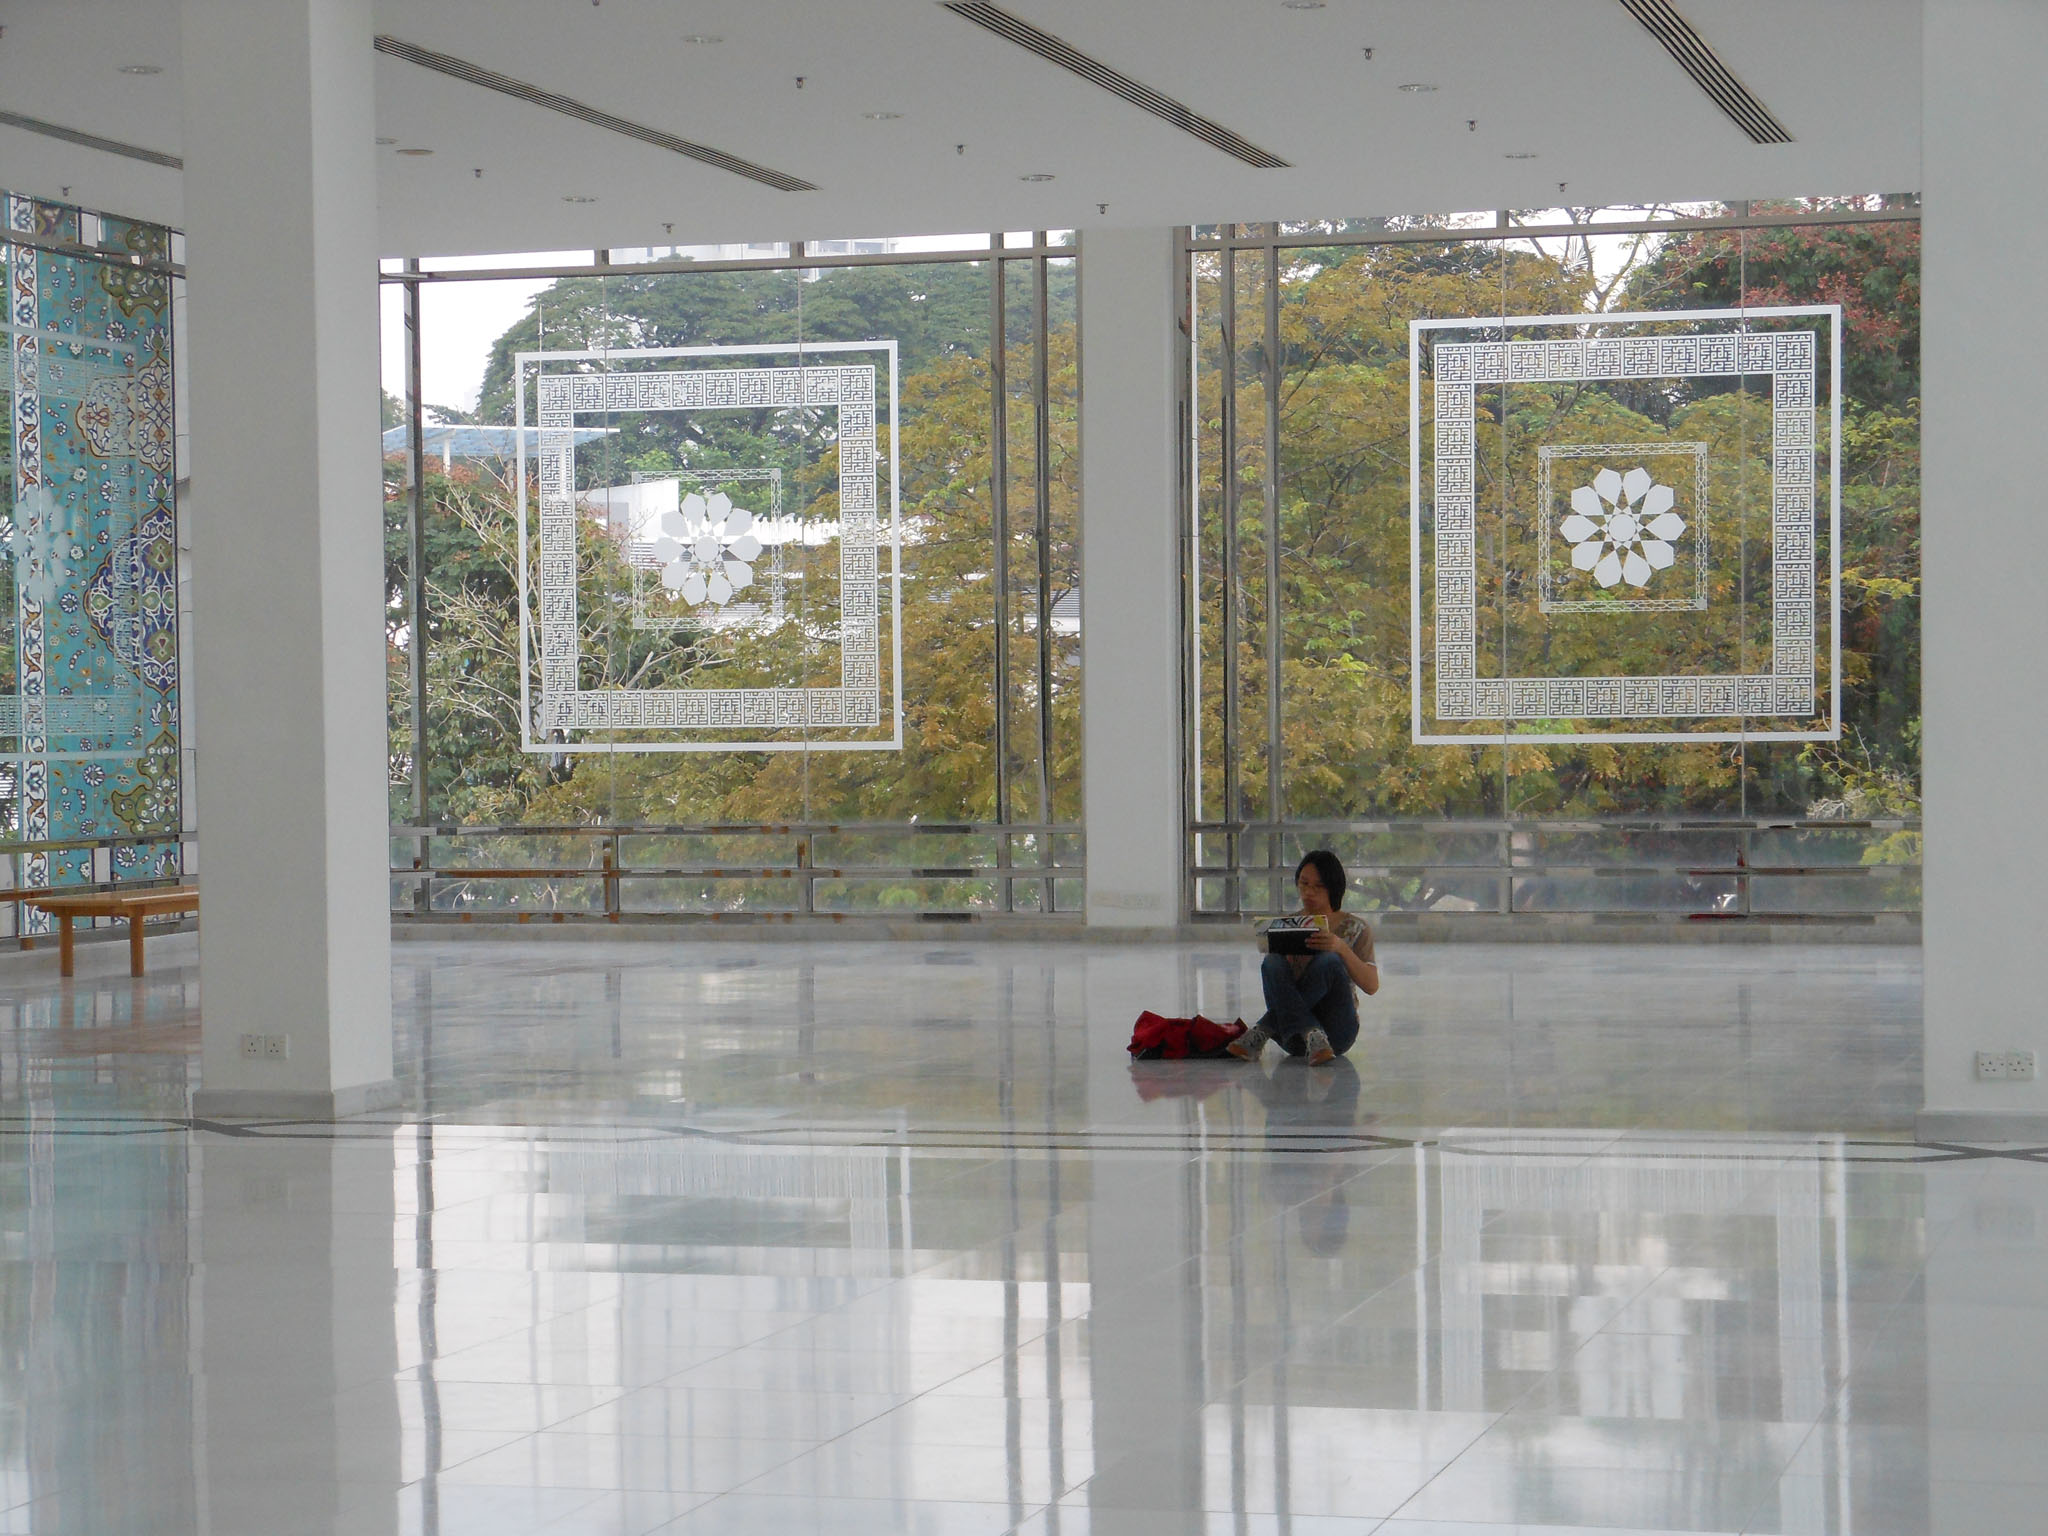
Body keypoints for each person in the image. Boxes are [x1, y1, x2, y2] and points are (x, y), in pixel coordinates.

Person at [1228, 850, 1378, 1066]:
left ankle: (1264, 1028)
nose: (1308, 892)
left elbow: (1372, 985)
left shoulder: (1356, 928)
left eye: (1318, 886)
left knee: (1329, 961)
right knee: (1272, 962)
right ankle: (1309, 1031)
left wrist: (1341, 948)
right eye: (1304, 884)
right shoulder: (1289, 924)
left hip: (1336, 1033)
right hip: (1293, 1036)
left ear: (1333, 888)